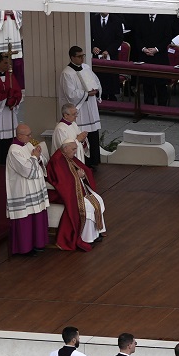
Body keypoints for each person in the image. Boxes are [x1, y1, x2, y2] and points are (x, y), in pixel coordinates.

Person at [46, 107, 105, 251]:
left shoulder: (68, 148)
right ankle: (85, 237)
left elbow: (73, 147)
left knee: (96, 199)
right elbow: (62, 180)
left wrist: (81, 142)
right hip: (64, 192)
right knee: (87, 206)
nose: (76, 116)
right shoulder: (59, 156)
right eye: (74, 114)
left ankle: (95, 233)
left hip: (74, 183)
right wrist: (77, 141)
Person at [4, 125, 50, 256]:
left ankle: (38, 244)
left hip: (34, 188)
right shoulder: (14, 151)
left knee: (36, 215)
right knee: (25, 219)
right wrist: (35, 157)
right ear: (19, 136)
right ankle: (24, 249)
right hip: (23, 190)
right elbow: (26, 171)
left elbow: (41, 161)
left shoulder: (27, 144)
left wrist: (39, 156)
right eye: (28, 135)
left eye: (30, 134)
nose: (31, 137)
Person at [59, 48, 104, 169]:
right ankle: (85, 162)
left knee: (93, 134)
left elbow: (96, 81)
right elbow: (70, 94)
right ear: (72, 57)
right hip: (80, 110)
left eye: (82, 56)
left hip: (91, 107)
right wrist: (86, 94)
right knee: (83, 135)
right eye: (79, 56)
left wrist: (96, 90)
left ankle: (94, 161)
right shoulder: (67, 73)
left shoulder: (86, 68)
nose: (82, 58)